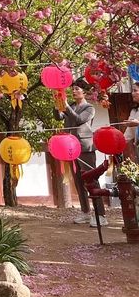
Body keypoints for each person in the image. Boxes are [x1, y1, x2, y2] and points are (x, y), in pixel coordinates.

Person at [57, 79, 107, 227]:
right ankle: (85, 212)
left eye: (77, 89)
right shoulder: (71, 106)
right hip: (70, 146)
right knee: (78, 181)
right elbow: (58, 117)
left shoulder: (89, 108)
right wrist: (58, 104)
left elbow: (79, 120)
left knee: (91, 180)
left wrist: (66, 106)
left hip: (85, 147)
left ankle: (101, 215)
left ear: (84, 92)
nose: (73, 91)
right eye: (72, 89)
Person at [121, 81, 139, 159]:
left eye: (135, 90)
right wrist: (120, 144)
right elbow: (129, 132)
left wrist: (138, 123)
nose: (132, 93)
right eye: (132, 91)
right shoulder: (134, 111)